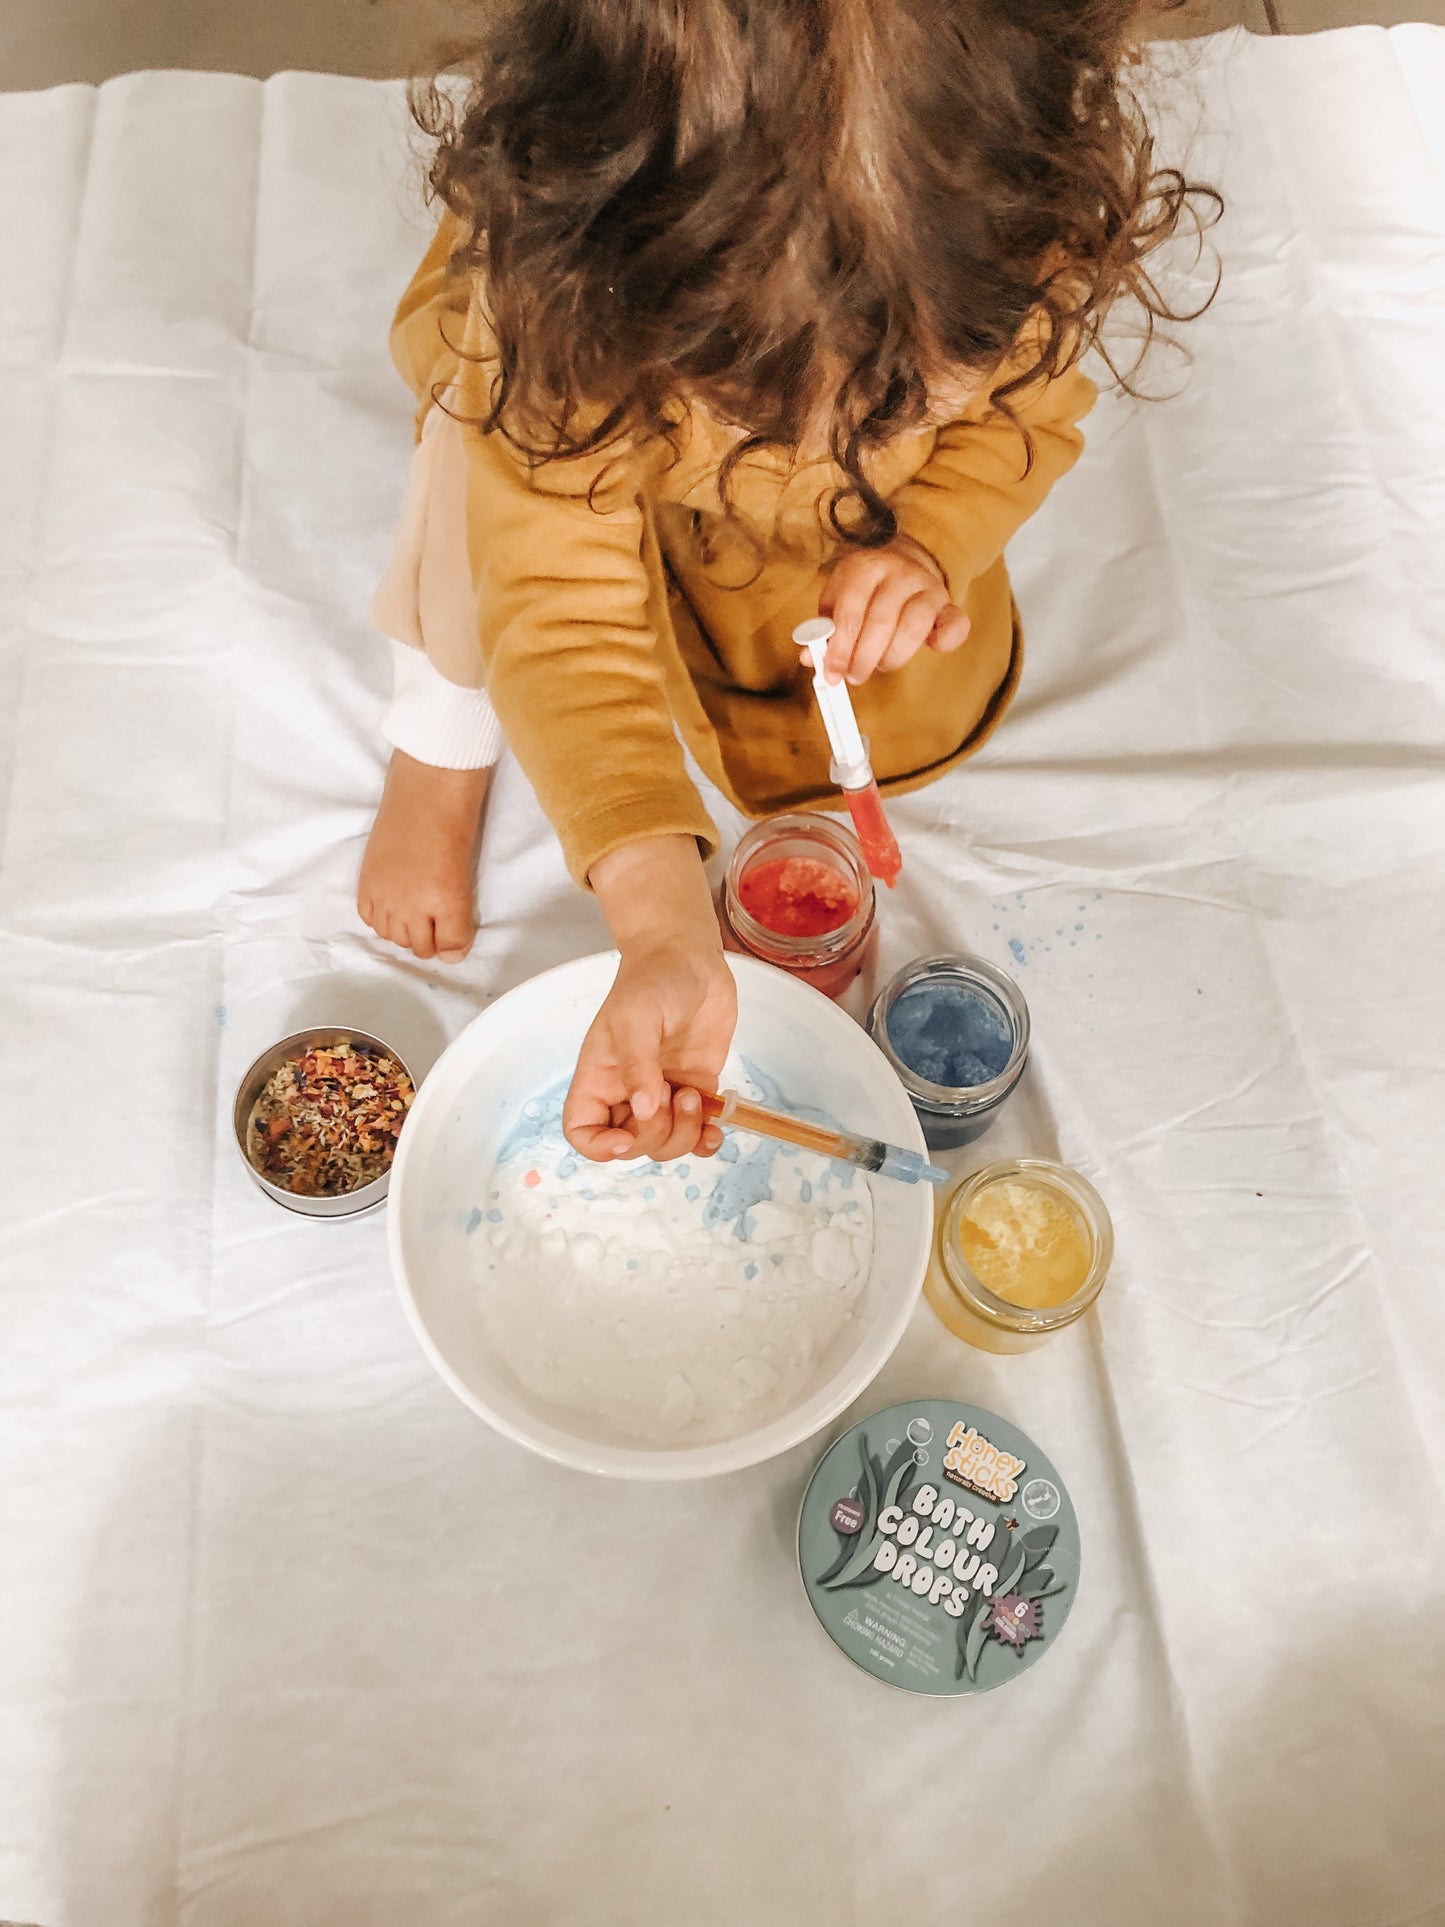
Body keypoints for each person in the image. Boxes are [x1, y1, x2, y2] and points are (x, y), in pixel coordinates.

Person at [357, 0, 1214, 1165]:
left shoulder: (1018, 227)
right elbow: (558, 608)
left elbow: (1034, 423)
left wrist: (928, 538)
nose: (830, 443)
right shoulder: (563, 307)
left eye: (905, 403)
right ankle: (439, 736)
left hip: (767, 501)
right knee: (473, 497)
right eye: (761, 413)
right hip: (553, 400)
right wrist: (659, 920)